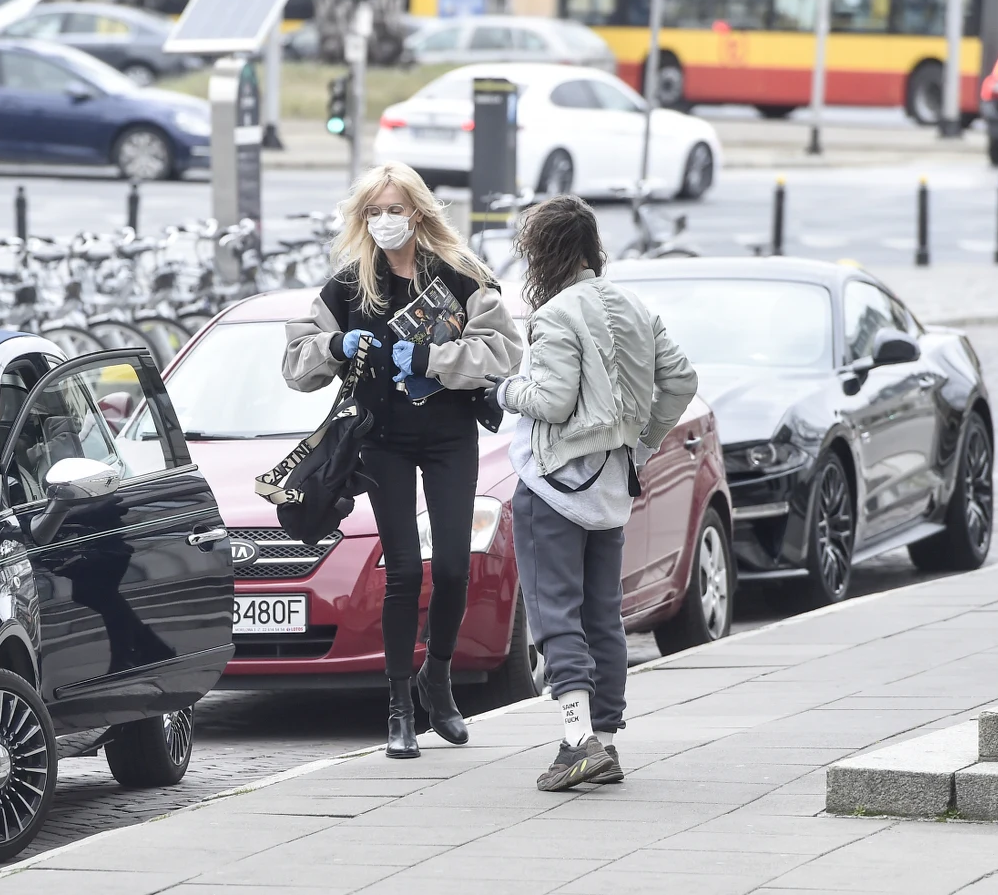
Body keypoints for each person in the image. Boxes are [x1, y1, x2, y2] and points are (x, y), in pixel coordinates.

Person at [283, 161, 524, 758]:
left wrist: (431, 360)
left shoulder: (461, 275)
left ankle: (436, 679)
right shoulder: (349, 283)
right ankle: (397, 707)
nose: (385, 221)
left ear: (418, 211)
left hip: (448, 437)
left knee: (450, 569)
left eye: (395, 209)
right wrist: (334, 345)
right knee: (404, 572)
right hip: (382, 440)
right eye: (374, 211)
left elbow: (503, 352)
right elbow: (295, 364)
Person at [494, 195, 696, 791]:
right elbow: (681, 379)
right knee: (604, 616)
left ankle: (578, 737)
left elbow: (552, 401)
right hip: (612, 484)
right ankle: (603, 741)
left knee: (554, 610)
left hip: (554, 484)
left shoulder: (555, 314)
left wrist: (504, 390)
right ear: (591, 247)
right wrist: (643, 441)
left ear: (544, 254)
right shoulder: (633, 305)